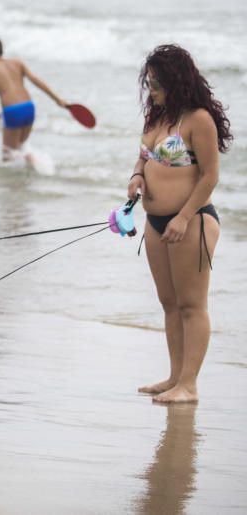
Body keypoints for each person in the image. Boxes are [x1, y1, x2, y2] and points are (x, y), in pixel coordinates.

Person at [127, 44, 231, 404]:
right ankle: (174, 377)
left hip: (193, 221)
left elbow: (210, 176)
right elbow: (142, 159)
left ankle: (190, 384)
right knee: (168, 303)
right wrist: (137, 177)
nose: (151, 90)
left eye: (157, 83)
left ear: (176, 81)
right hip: (155, 222)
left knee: (191, 304)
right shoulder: (155, 117)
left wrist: (184, 218)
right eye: (149, 83)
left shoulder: (198, 119)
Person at [0, 36, 68, 161]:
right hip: (28, 107)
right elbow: (36, 81)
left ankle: (19, 172)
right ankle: (37, 170)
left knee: (7, 154)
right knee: (21, 146)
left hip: (12, 111)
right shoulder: (17, 63)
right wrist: (57, 99)